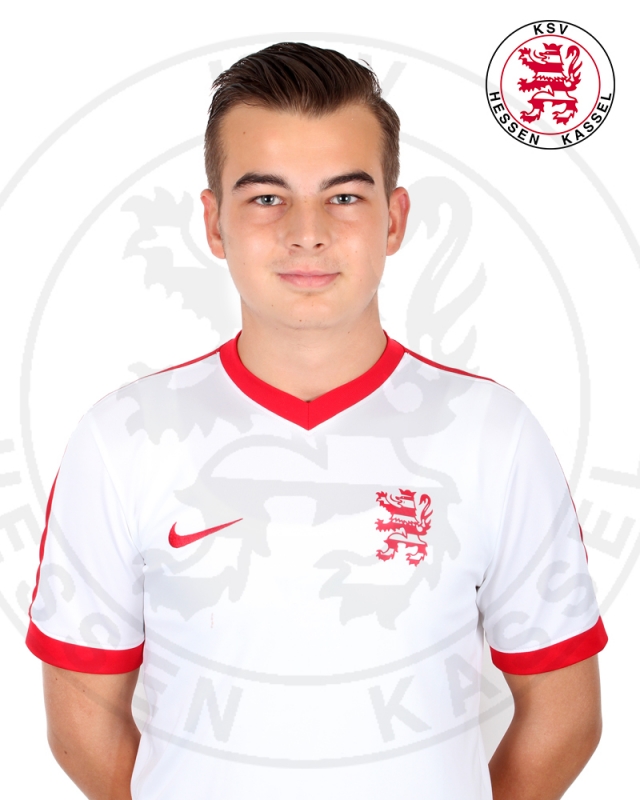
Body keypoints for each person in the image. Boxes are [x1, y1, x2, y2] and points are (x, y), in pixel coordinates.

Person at [26, 42, 606, 800]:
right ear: (214, 223)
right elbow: (82, 715)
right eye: (267, 198)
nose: (308, 232)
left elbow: (565, 714)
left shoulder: (494, 434)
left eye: (345, 196)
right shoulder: (121, 439)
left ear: (394, 219)